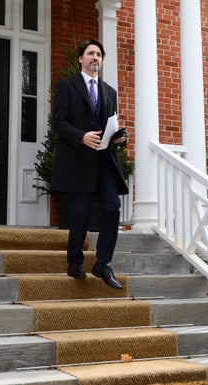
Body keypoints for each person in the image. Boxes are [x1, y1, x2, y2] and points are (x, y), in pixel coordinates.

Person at [50, 38, 129, 290]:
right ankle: (74, 262)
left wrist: (119, 138)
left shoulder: (110, 92)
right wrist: (80, 136)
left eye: (99, 54)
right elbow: (59, 123)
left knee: (112, 206)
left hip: (104, 161)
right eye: (91, 53)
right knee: (81, 212)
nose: (96, 57)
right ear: (80, 59)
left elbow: (110, 126)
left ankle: (103, 262)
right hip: (76, 160)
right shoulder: (66, 87)